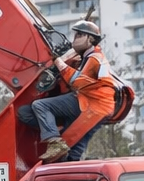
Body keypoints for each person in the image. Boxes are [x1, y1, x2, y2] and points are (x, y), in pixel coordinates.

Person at [17, 20, 117, 163]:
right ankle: (58, 140)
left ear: (91, 39)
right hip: (97, 108)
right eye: (75, 34)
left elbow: (77, 81)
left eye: (80, 35)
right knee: (73, 149)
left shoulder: (95, 59)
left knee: (40, 106)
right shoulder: (88, 58)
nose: (75, 38)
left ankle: (55, 141)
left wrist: (58, 62)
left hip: (91, 104)